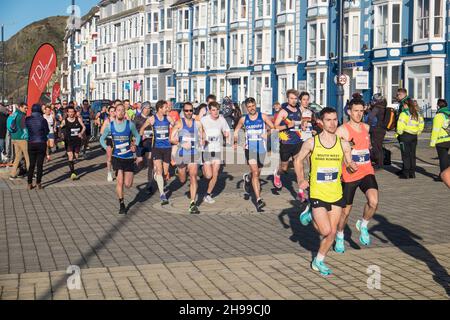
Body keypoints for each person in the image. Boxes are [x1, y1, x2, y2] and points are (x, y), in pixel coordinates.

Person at [297, 107, 357, 276]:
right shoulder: (312, 142)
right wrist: (301, 179)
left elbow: (349, 164)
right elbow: (298, 160)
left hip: (336, 193)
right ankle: (310, 209)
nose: (332, 123)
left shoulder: (343, 143)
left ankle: (319, 261)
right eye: (328, 120)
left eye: (335, 119)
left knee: (331, 232)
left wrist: (352, 166)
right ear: (321, 122)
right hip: (317, 192)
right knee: (325, 231)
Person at [334, 98, 379, 253]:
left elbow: (368, 147)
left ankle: (363, 224)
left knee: (373, 202)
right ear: (349, 111)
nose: (359, 114)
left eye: (361, 111)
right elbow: (335, 151)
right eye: (355, 111)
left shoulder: (366, 127)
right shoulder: (342, 130)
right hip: (350, 174)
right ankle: (339, 235)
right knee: (345, 212)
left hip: (366, 170)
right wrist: (346, 164)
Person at [234, 97, 274, 211]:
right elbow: (236, 130)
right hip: (249, 149)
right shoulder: (243, 119)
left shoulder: (263, 116)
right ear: (246, 108)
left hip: (261, 148)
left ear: (256, 105)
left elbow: (273, 127)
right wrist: (236, 142)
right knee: (255, 172)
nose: (252, 108)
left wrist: (268, 133)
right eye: (249, 107)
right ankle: (258, 199)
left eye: (253, 106)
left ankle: (248, 178)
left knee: (257, 173)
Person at [100, 103, 141, 215]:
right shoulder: (111, 126)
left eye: (123, 110)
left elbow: (137, 136)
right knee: (120, 181)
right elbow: (102, 139)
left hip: (128, 157)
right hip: (117, 157)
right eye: (118, 110)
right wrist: (107, 148)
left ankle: (123, 190)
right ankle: (121, 204)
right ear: (115, 112)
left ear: (125, 112)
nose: (120, 112)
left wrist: (135, 145)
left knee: (128, 184)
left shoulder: (130, 124)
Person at [140, 100, 175, 205]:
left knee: (165, 173)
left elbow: (177, 126)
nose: (167, 109)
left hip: (167, 148)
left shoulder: (168, 118)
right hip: (156, 148)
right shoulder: (152, 119)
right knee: (159, 171)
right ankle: (162, 194)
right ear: (160, 108)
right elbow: (142, 129)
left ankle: (157, 177)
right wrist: (145, 135)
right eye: (165, 107)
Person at [171, 102, 203, 214]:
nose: (189, 112)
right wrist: (181, 143)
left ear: (193, 111)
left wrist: (203, 140)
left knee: (193, 176)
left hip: (194, 153)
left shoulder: (198, 123)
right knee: (182, 179)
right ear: (183, 112)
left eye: (190, 110)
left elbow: (203, 135)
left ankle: (193, 203)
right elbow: (171, 139)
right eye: (186, 111)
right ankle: (179, 170)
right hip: (181, 154)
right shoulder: (179, 123)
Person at [273, 89, 304, 200]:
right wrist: (287, 126)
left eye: (295, 98)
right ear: (287, 99)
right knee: (284, 168)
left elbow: (299, 124)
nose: (294, 100)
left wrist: (303, 127)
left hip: (298, 141)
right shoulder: (283, 112)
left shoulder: (299, 110)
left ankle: (301, 192)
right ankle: (277, 172)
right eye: (291, 98)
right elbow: (275, 127)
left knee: (299, 165)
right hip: (286, 143)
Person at [200, 102, 231, 204]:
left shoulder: (222, 120)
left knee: (215, 174)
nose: (216, 112)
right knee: (208, 175)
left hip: (217, 150)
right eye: (213, 110)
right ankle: (202, 168)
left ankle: (207, 195)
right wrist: (202, 137)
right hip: (206, 150)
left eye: (217, 110)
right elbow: (197, 129)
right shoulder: (204, 120)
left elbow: (227, 130)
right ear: (209, 111)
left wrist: (227, 134)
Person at [396, 99, 424, 179]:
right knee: (412, 155)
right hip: (414, 136)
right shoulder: (417, 113)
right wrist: (418, 132)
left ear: (407, 105)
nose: (403, 106)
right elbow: (421, 124)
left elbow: (400, 125)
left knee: (405, 155)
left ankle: (406, 173)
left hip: (405, 136)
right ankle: (412, 173)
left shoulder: (404, 114)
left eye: (404, 105)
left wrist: (399, 133)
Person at [25, 104, 49, 190]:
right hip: (41, 143)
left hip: (31, 142)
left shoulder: (27, 119)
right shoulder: (43, 120)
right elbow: (47, 131)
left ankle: (29, 183)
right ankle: (38, 183)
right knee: (39, 165)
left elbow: (25, 129)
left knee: (31, 164)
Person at [61, 106, 86, 180]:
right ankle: (73, 173)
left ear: (74, 112)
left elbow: (84, 127)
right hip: (68, 141)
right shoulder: (65, 121)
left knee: (76, 156)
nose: (71, 113)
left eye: (72, 112)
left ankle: (72, 165)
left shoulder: (78, 119)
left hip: (77, 141)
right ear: (67, 113)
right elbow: (60, 128)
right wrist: (61, 135)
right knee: (70, 156)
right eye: (70, 112)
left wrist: (81, 133)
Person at [134, 101, 154, 193]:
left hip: (150, 143)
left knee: (150, 164)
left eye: (149, 108)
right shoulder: (137, 118)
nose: (148, 110)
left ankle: (149, 185)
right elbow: (133, 131)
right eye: (146, 108)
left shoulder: (152, 118)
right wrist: (139, 136)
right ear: (142, 108)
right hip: (141, 144)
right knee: (140, 163)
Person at [9, 103, 29, 180]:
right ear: (20, 107)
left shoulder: (14, 114)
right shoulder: (22, 115)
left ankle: (12, 174)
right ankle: (30, 173)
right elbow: (24, 128)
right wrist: (27, 137)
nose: (26, 109)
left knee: (18, 156)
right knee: (28, 156)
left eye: (27, 108)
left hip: (14, 138)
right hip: (21, 138)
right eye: (25, 108)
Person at [367, 94, 388, 170]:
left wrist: (368, 110)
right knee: (379, 146)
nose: (372, 101)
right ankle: (380, 163)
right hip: (382, 129)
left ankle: (379, 164)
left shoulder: (376, 108)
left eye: (373, 100)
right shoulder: (383, 106)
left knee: (376, 147)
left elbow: (370, 118)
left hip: (376, 129)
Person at [430, 99, 450, 174]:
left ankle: (443, 176)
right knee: (446, 158)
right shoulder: (448, 114)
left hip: (441, 141)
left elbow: (435, 130)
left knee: (443, 159)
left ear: (438, 106)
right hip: (449, 139)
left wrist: (432, 143)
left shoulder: (438, 116)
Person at [100, 105, 116, 182]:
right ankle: (109, 173)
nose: (113, 113)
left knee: (118, 157)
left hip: (118, 140)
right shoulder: (107, 120)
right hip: (110, 140)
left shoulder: (119, 120)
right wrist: (108, 132)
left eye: (114, 111)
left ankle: (117, 170)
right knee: (109, 158)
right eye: (111, 111)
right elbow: (101, 131)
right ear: (109, 113)